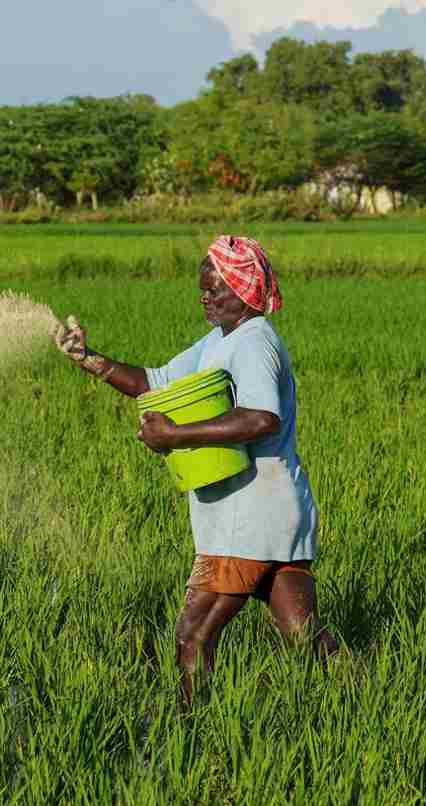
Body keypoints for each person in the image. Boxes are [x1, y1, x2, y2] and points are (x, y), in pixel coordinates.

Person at [53, 235, 340, 705]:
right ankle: (375, 699)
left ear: (244, 290)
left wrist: (174, 437)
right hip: (275, 511)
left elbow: (261, 417)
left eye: (215, 289)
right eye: (202, 288)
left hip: (247, 515)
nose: (204, 296)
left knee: (193, 637)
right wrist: (87, 358)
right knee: (302, 636)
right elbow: (155, 382)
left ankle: (193, 737)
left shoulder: (252, 343)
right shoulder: (221, 339)